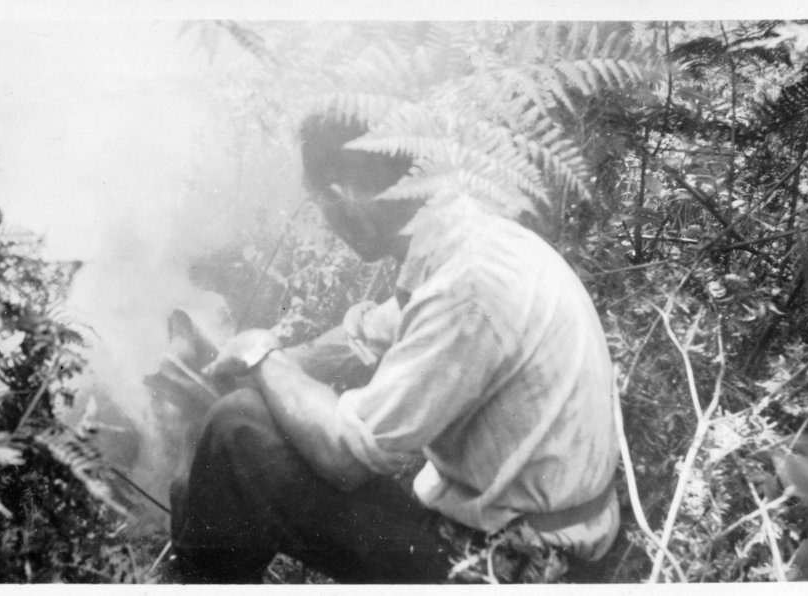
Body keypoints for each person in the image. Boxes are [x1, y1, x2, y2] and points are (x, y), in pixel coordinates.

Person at [168, 113, 620, 584]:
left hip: (523, 569)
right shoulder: (472, 244)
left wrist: (264, 357)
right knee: (251, 408)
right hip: (546, 537)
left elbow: (343, 456)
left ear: (342, 202)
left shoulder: (467, 291)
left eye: (322, 207)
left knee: (237, 428)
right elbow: (364, 337)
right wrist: (252, 367)